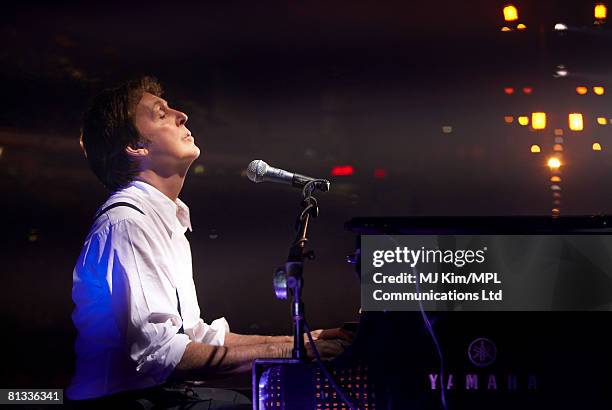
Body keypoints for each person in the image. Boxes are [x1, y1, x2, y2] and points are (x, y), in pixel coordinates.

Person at [66, 77, 350, 409]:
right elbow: (159, 356)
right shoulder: (129, 224)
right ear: (137, 146)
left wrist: (305, 341)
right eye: (161, 113)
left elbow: (195, 338)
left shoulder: (163, 217)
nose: (181, 114)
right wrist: (291, 352)